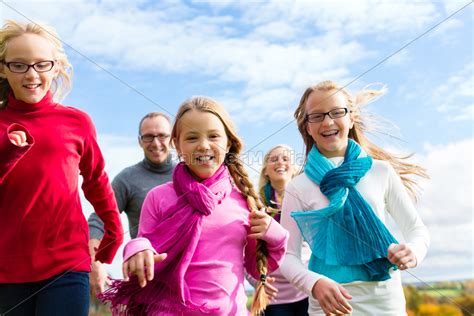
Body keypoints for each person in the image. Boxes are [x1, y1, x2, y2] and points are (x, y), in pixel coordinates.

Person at [100, 96, 289, 315]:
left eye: (214, 136)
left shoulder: (245, 202)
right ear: (177, 146)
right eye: (191, 137)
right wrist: (135, 249)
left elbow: (256, 269)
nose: (203, 145)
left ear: (228, 143)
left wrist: (276, 237)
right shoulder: (158, 197)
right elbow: (145, 247)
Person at [0, 20, 123, 315]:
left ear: (56, 68)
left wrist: (114, 228)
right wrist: (8, 153)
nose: (32, 74)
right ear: (3, 68)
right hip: (6, 269)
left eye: (41, 64)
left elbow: (95, 180)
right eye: (19, 65)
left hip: (66, 263)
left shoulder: (77, 122)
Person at [279, 80, 430, 315]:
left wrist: (413, 251)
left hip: (384, 300)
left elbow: (417, 230)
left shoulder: (382, 172)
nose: (328, 122)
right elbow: (287, 256)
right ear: (307, 127)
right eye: (317, 116)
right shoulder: (298, 187)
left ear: (351, 118)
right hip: (328, 303)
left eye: (337, 112)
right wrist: (314, 284)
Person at [88, 112, 176, 295]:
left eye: (162, 136)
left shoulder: (189, 175)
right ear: (139, 141)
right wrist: (95, 263)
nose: (156, 143)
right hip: (147, 280)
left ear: (173, 138)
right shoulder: (127, 179)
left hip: (189, 275)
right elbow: (99, 219)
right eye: (148, 137)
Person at [256, 144, 310, 315]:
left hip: (308, 287)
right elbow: (245, 249)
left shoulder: (307, 200)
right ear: (266, 170)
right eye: (274, 159)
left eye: (285, 159)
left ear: (294, 169)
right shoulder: (256, 205)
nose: (280, 162)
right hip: (275, 296)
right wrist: (257, 280)